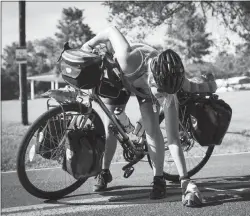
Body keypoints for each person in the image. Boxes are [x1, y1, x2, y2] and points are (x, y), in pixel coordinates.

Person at [80, 25, 216, 207]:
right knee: (109, 127)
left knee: (152, 130)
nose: (163, 97)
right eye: (160, 92)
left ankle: (158, 179)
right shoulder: (128, 58)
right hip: (121, 77)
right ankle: (104, 172)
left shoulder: (172, 86)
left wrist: (185, 179)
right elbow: (109, 30)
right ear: (153, 78)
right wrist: (88, 45)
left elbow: (174, 139)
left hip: (144, 92)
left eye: (165, 94)